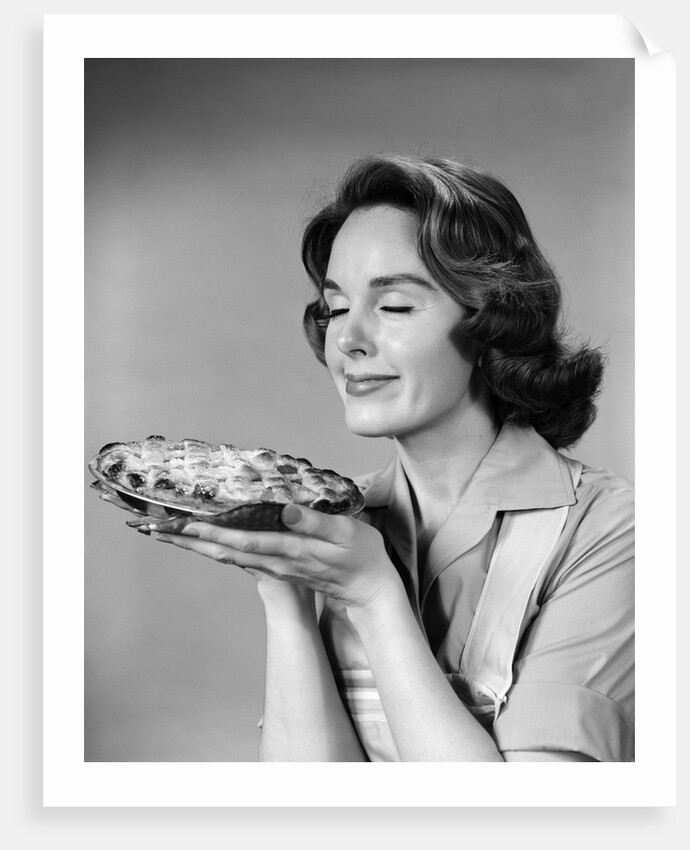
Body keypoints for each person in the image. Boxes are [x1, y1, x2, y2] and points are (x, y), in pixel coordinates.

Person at [156, 154, 634, 762]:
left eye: (396, 306)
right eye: (335, 308)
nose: (348, 340)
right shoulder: (338, 525)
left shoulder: (616, 534)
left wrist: (375, 597)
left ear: (494, 324)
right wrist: (288, 598)